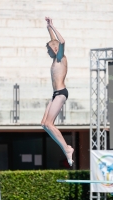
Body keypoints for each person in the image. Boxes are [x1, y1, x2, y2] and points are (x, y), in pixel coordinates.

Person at [41, 17, 74, 166]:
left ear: (55, 50)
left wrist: (53, 26)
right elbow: (53, 40)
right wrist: (48, 27)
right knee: (44, 124)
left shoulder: (60, 57)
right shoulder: (55, 59)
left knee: (49, 124)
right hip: (55, 94)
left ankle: (67, 149)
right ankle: (66, 147)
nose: (48, 53)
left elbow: (61, 42)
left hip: (61, 93)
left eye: (49, 50)